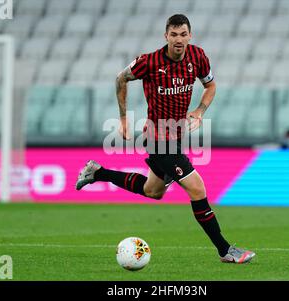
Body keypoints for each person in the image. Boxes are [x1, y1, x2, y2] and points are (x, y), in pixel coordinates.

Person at [75, 14, 255, 264]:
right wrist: (124, 118)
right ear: (166, 36)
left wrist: (200, 111)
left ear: (190, 35)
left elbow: (211, 86)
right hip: (159, 139)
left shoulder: (198, 57)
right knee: (197, 188)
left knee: (153, 190)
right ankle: (225, 250)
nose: (179, 39)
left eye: (183, 34)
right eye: (174, 34)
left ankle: (97, 172)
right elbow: (121, 78)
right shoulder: (148, 62)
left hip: (177, 136)